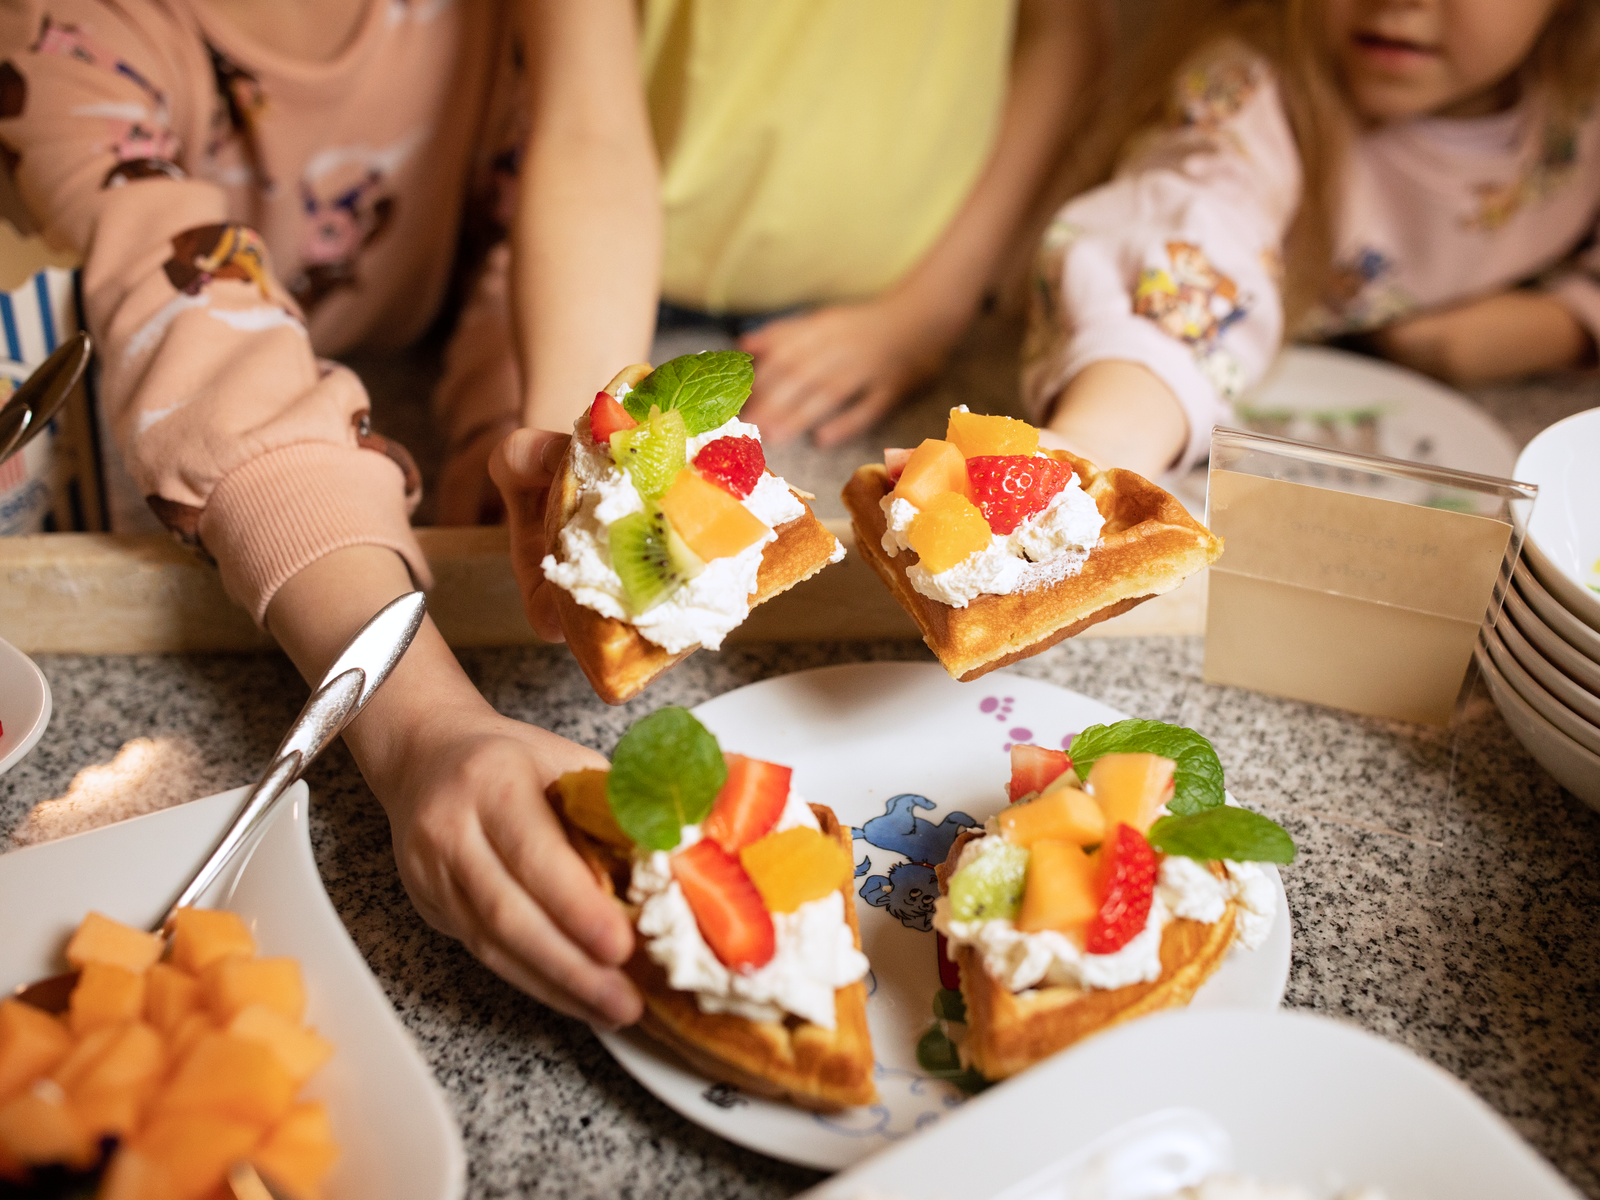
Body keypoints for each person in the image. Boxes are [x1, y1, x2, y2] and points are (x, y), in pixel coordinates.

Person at [0, 0, 653, 1028]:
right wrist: (422, 728)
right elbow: (202, 334)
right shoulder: (67, 36)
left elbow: (529, 216)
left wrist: (519, 442)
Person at [435, 0, 1108, 529]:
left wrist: (925, 312)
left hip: (882, 300)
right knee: (512, 442)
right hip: (597, 259)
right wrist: (578, 456)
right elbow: (588, 137)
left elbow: (1067, 36)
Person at [1023, 0, 1600, 481]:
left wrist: (1564, 325)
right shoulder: (1249, 96)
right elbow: (1190, 240)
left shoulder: (1585, 102)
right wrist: (1103, 444)